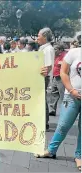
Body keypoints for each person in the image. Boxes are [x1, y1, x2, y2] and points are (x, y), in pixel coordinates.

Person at [35, 43, 81, 171]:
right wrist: (72, 90)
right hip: (71, 96)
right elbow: (63, 72)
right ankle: (51, 150)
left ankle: (80, 156)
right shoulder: (75, 52)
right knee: (63, 125)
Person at [37, 27, 55, 131]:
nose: (37, 38)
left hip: (44, 77)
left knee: (42, 99)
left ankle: (44, 122)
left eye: (38, 35)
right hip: (42, 76)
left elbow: (48, 66)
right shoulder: (43, 48)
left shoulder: (48, 49)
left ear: (44, 36)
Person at [48, 43, 66, 116]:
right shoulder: (54, 56)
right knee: (53, 93)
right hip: (55, 77)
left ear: (60, 50)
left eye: (55, 49)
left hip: (61, 78)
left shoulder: (65, 56)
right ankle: (52, 110)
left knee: (63, 95)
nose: (54, 50)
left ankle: (65, 111)